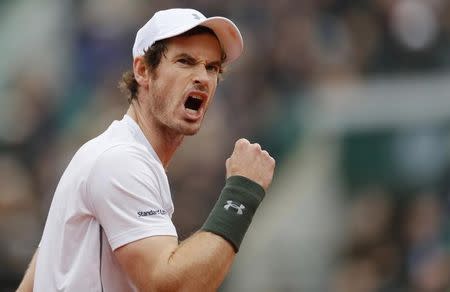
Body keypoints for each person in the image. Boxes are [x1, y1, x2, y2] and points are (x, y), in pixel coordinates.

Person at [17, 7, 275, 292]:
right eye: (185, 61)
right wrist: (242, 192)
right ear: (142, 70)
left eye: (212, 67)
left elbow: (38, 276)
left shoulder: (111, 153)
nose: (202, 76)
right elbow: (170, 286)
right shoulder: (121, 161)